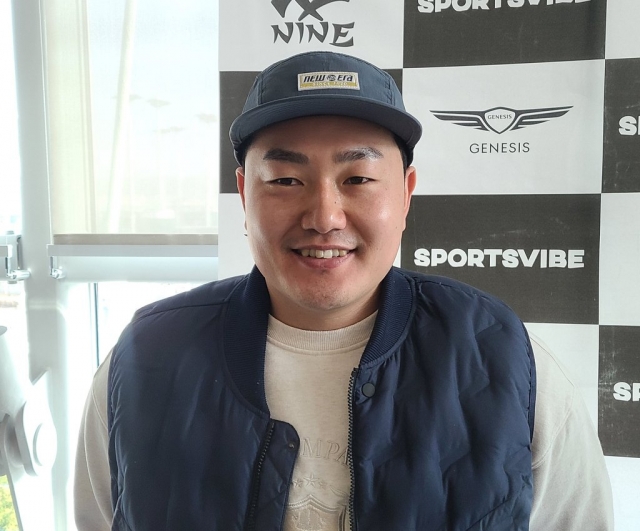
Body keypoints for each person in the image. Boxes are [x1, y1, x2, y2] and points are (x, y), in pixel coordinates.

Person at [74, 51, 614, 531]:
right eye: (286, 180)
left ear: (405, 194)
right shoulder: (146, 359)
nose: (325, 217)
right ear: (243, 194)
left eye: (357, 179)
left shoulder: (505, 361)